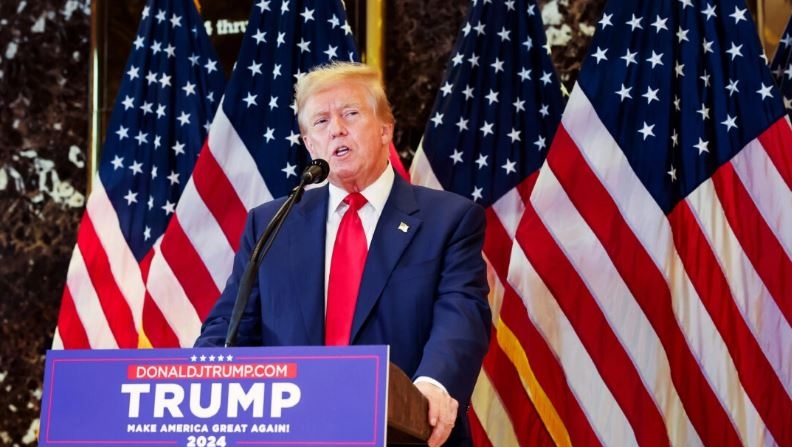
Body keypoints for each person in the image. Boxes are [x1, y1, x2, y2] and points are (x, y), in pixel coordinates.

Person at [195, 61, 491, 446]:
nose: (335, 128)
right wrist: (202, 380)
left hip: (404, 432)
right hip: (292, 433)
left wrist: (432, 387)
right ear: (309, 145)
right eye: (320, 122)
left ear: (386, 128)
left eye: (350, 113)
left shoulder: (448, 220)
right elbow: (230, 326)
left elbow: (462, 314)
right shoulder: (270, 224)